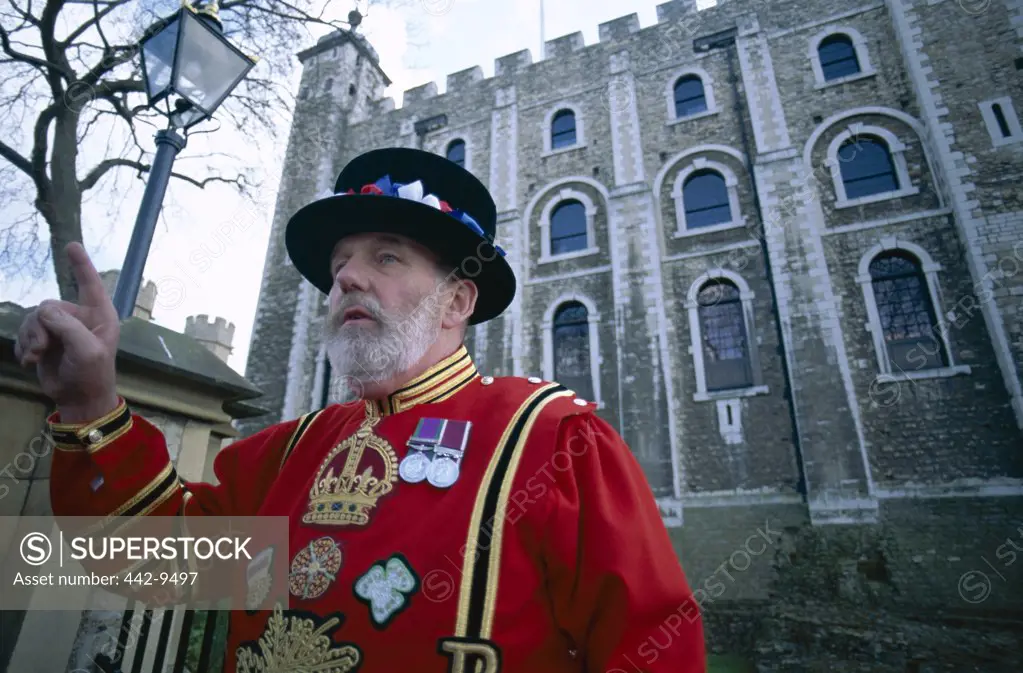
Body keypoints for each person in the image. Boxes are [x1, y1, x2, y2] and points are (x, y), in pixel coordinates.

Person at [15, 147, 706, 672]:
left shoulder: (552, 437)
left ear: (457, 301)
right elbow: (157, 562)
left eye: (385, 257)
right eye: (342, 261)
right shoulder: (282, 451)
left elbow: (650, 646)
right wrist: (89, 401)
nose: (346, 275)